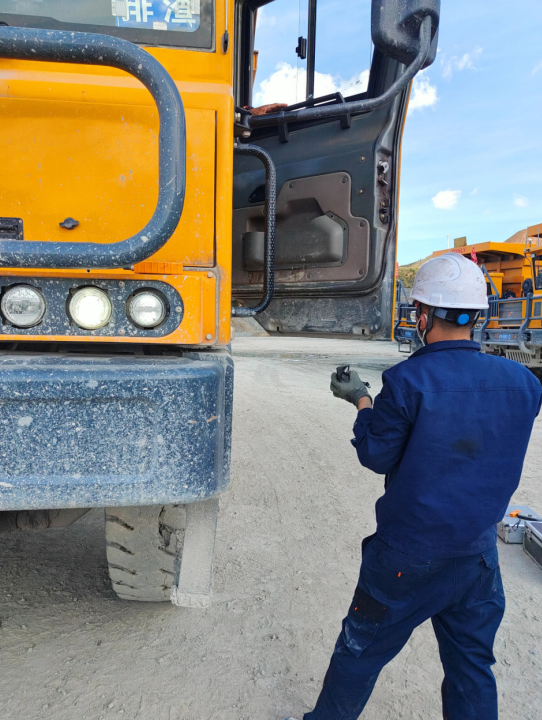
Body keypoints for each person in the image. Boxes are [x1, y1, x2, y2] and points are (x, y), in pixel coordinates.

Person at [284, 253, 542, 720]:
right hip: (478, 557)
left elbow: (377, 454)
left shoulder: (408, 380)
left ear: (422, 316)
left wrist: (361, 400)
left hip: (406, 558)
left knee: (360, 651)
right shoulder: (523, 383)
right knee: (471, 668)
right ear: (477, 315)